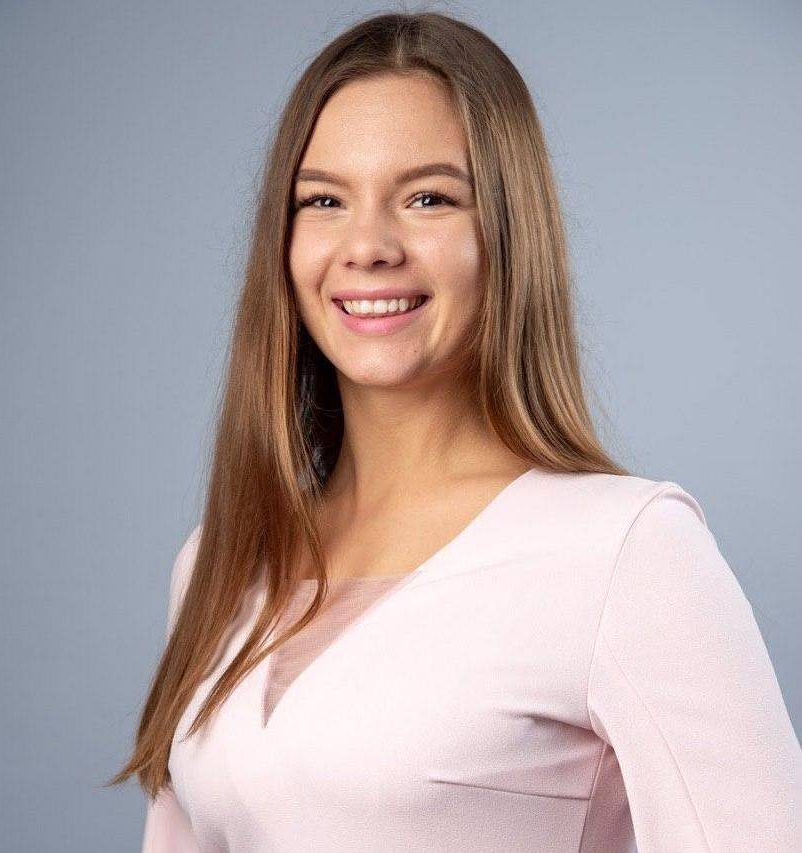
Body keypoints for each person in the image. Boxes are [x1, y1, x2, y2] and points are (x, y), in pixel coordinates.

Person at [107, 11, 801, 852]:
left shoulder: (626, 553)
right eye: (323, 200)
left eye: (428, 198)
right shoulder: (219, 561)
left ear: (506, 233)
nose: (368, 245)